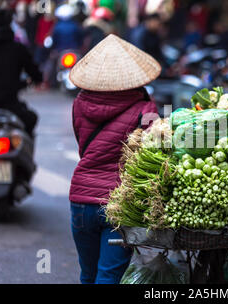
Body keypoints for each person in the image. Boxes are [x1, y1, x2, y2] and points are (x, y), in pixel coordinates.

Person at [68, 34, 160, 284]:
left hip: (80, 201)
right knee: (108, 277)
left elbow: (82, 144)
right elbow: (154, 150)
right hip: (117, 203)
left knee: (87, 275)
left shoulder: (79, 103)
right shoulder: (145, 107)